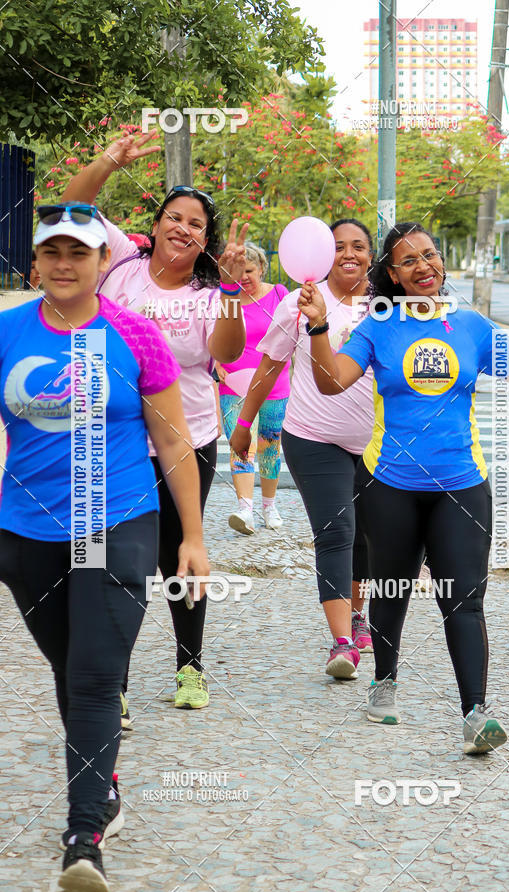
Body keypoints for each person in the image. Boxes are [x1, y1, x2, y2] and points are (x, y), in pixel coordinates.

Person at [300, 220, 509, 753]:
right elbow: (331, 381)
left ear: (441, 261)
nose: (423, 266)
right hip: (391, 485)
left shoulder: (471, 326)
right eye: (408, 261)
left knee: (465, 601)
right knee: (392, 590)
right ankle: (385, 681)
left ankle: (475, 713)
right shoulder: (378, 326)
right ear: (393, 275)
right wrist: (317, 329)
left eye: (429, 255)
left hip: (462, 486)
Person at [0, 203, 209, 892]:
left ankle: (83, 836)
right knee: (68, 665)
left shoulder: (134, 335)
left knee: (93, 675)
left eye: (78, 253)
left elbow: (174, 442)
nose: (64, 263)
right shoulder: (7, 333)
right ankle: (105, 782)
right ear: (36, 262)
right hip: (26, 532)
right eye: (52, 252)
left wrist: (195, 539)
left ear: (99, 264)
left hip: (113, 519)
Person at [62, 132, 247, 715]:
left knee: (178, 553)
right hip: (110, 436)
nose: (183, 228)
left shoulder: (211, 293)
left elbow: (228, 350)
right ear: (158, 222)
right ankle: (111, 681)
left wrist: (236, 292)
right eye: (174, 217)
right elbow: (72, 208)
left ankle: (189, 667)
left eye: (196, 224)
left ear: (205, 240)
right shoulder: (120, 261)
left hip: (186, 438)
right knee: (113, 559)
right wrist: (109, 161)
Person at [230, 219, 375, 677]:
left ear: (371, 255)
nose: (349, 254)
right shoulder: (300, 303)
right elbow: (269, 366)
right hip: (313, 438)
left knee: (369, 537)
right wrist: (245, 422)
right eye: (338, 247)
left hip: (377, 443)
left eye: (359, 246)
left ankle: (359, 611)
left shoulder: (388, 306)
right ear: (322, 254)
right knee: (336, 532)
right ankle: (342, 643)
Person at [216, 241, 290, 534]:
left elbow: (291, 333)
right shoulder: (225, 298)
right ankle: (244, 509)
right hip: (233, 382)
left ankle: (269, 506)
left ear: (261, 268)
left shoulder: (279, 295)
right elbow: (214, 331)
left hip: (274, 382)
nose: (244, 277)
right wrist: (216, 362)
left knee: (270, 445)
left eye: (249, 270)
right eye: (239, 271)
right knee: (240, 444)